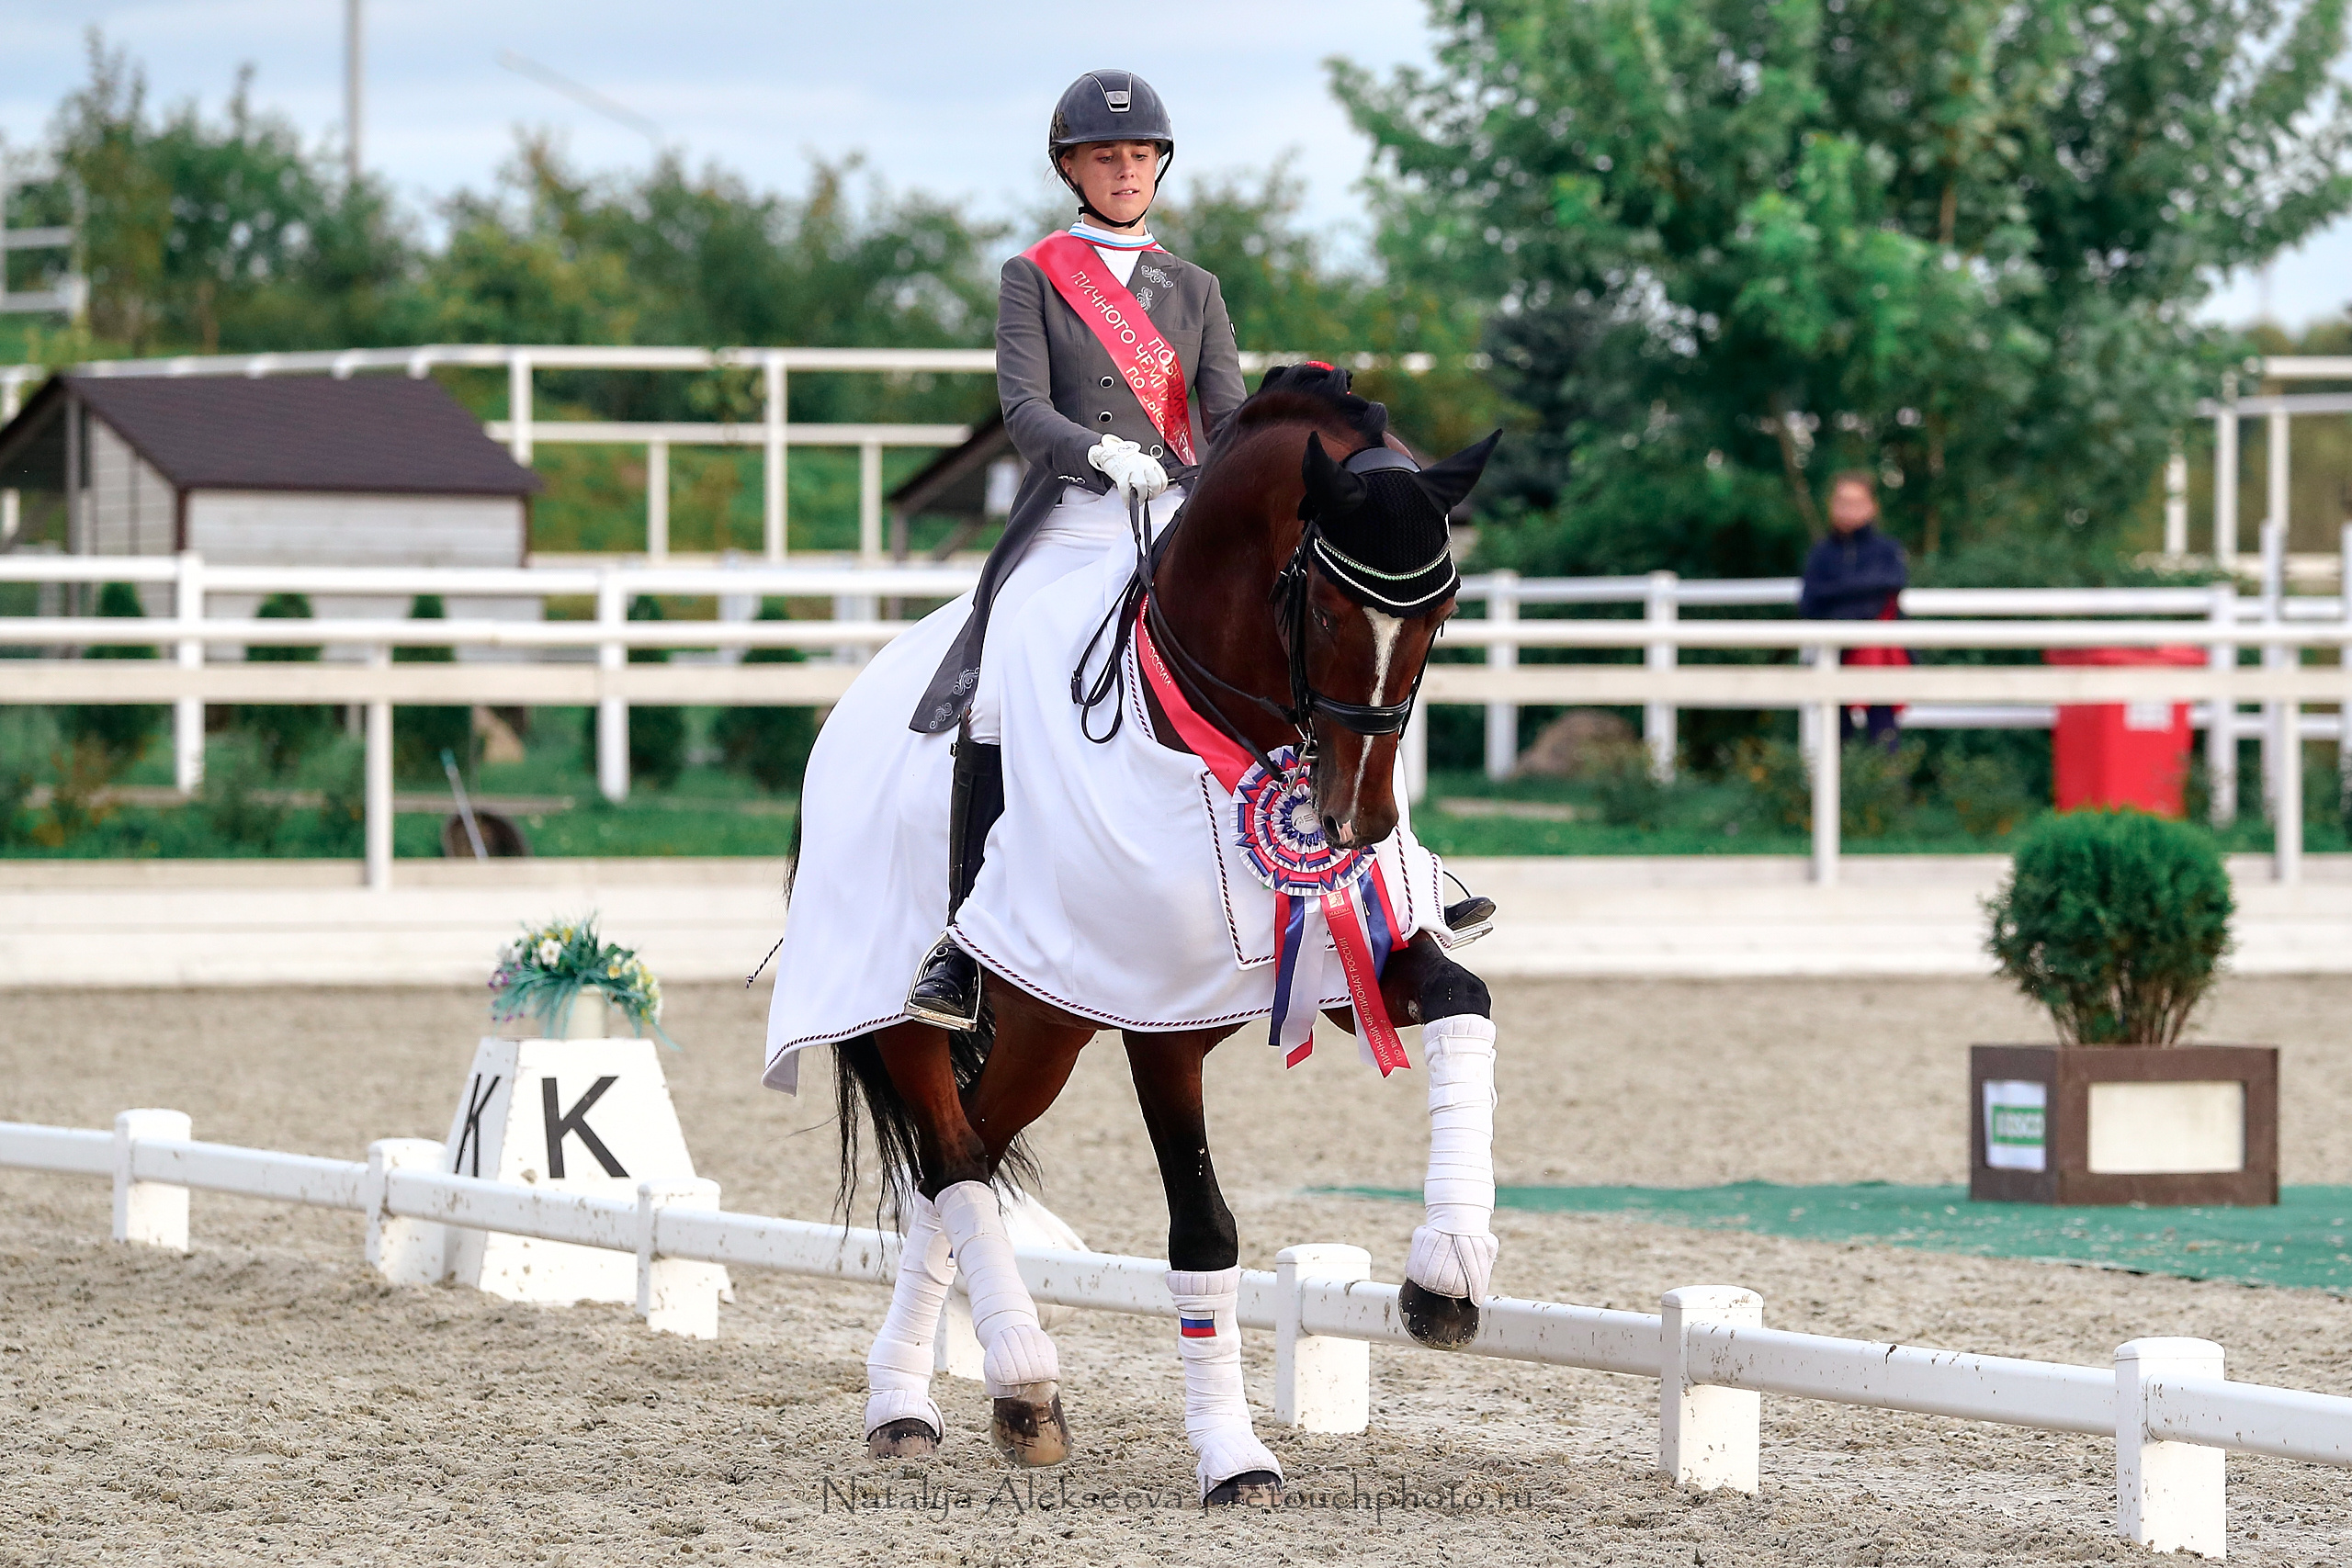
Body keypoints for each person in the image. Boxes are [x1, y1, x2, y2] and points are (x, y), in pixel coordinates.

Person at [900, 69, 1246, 1030]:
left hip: (1174, 519)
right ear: (1073, 167)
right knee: (1005, 678)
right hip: (1074, 515)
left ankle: (1367, 887)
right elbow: (1021, 408)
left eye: (1139, 155)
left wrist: (1215, 478)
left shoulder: (1197, 289)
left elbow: (1226, 416)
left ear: (1159, 165)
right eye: (1106, 155)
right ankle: (962, 946)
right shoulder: (1035, 276)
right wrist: (1095, 449)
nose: (1126, 170)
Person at [1799, 470, 1910, 750]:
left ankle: (1887, 794)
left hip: (1879, 656)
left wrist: (1838, 593)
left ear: (1872, 506)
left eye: (1856, 502)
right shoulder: (1822, 553)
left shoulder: (1886, 550)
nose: (1848, 510)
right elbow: (1810, 601)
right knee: (1834, 740)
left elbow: (1893, 582)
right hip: (1833, 653)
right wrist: (1864, 593)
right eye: (1842, 502)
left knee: (1884, 739)